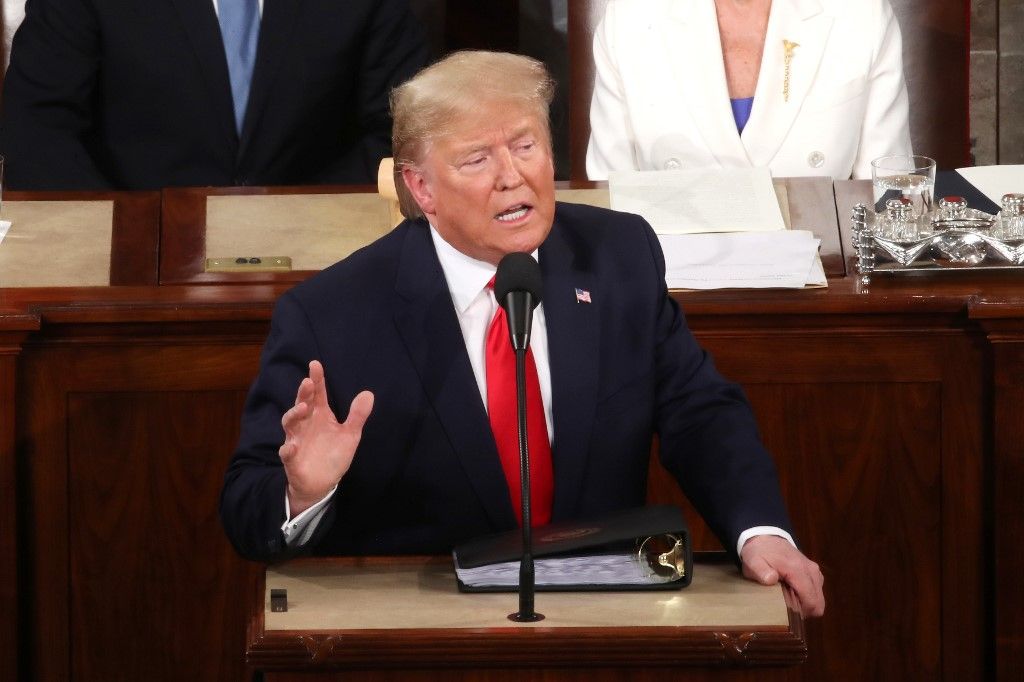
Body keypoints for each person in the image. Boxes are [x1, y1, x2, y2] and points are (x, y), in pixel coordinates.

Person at [220, 50, 825, 618]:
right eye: (478, 159)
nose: (513, 177)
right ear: (421, 187)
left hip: (598, 623)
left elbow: (700, 413)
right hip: (425, 635)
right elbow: (248, 510)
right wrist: (303, 493)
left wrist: (759, 530)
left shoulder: (618, 258)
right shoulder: (333, 314)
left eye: (526, 145)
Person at [0, 0, 426, 190]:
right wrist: (119, 234)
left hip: (324, 259)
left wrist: (312, 212)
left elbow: (406, 128)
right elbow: (37, 127)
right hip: (134, 257)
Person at [586, 0, 912, 180]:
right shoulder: (629, 20)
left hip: (823, 285)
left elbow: (891, 196)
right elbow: (608, 199)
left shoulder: (861, 14)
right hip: (671, 286)